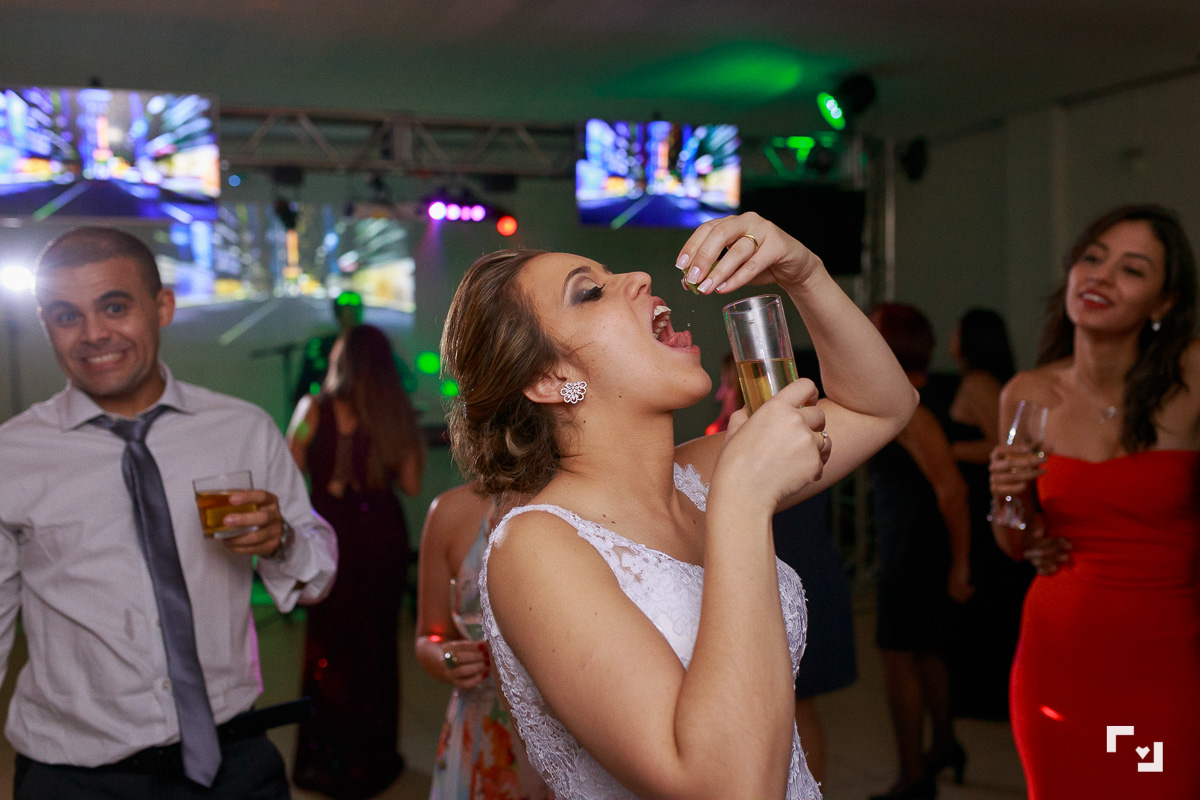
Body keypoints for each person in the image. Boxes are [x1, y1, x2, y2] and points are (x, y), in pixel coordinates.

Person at [440, 212, 918, 799]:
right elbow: (728, 788)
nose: (639, 277)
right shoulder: (534, 549)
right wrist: (744, 500)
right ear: (549, 378)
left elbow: (882, 407)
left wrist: (805, 273)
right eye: (590, 293)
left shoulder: (699, 476)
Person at [0, 226, 338, 799]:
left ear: (162, 307)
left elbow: (317, 577)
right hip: (73, 777)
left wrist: (280, 541)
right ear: (45, 324)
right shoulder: (12, 456)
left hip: (234, 763)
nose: (93, 334)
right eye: (66, 315)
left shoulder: (241, 430)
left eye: (114, 307)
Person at [990, 203, 1200, 799]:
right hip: (1060, 658)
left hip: (1167, 661)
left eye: (1131, 269)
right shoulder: (1029, 393)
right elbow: (1018, 546)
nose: (1101, 276)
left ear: (1163, 303)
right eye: (1093, 258)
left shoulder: (1193, 379)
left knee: (1160, 785)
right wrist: (1007, 494)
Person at [706, 349, 858, 786]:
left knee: (797, 705)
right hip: (802, 562)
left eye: (727, 383)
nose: (721, 393)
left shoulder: (768, 442)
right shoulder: (750, 439)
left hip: (794, 568)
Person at [286, 323, 425, 798]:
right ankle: (372, 761)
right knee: (376, 649)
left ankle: (325, 762)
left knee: (326, 644)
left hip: (327, 535)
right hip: (380, 537)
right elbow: (411, 485)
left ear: (340, 360)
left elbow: (289, 471)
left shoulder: (312, 408)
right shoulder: (394, 413)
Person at [867, 303, 973, 800]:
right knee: (927, 651)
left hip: (912, 547)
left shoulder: (908, 405)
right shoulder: (912, 395)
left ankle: (913, 777)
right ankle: (945, 746)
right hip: (918, 541)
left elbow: (952, 490)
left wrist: (962, 564)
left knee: (897, 656)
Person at [414, 484, 552, 800]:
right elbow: (427, 638)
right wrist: (448, 659)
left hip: (565, 727)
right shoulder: (450, 512)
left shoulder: (581, 504)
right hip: (483, 727)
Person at [943, 309, 1032, 721]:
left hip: (984, 503)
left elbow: (1002, 448)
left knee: (988, 602)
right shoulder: (987, 381)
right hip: (983, 501)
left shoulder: (978, 383)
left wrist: (947, 450)